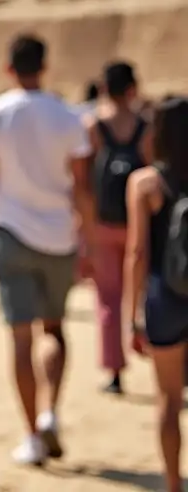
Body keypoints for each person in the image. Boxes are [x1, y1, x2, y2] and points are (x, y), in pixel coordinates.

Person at [0, 34, 96, 467]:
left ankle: (31, 433)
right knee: (54, 330)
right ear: (45, 65)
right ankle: (50, 411)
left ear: (8, 67)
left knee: (21, 338)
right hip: (59, 234)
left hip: (10, 233)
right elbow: (81, 184)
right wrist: (89, 238)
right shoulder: (67, 115)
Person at [124, 96, 188, 492]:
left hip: (165, 295)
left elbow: (136, 252)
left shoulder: (145, 182)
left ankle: (171, 482)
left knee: (168, 399)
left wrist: (133, 315)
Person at [87, 61, 150, 395]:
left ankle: (114, 371)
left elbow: (82, 181)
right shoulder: (145, 126)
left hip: (102, 222)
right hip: (138, 221)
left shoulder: (94, 125)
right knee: (144, 293)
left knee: (108, 299)